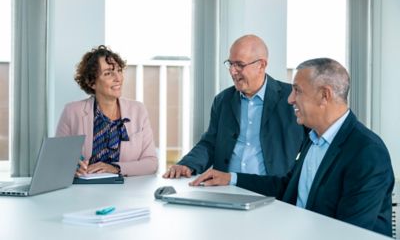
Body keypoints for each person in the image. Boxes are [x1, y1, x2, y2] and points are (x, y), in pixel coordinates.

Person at [190, 58, 394, 236]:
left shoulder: (367, 152)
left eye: (297, 91)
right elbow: (287, 187)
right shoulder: (314, 138)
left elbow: (349, 233)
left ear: (325, 95)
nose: (290, 99)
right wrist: (231, 178)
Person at [163, 35, 305, 179]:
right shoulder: (223, 100)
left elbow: (313, 143)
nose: (232, 71)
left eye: (239, 65)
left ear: (261, 65)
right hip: (227, 189)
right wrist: (187, 164)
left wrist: (296, 177)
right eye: (230, 64)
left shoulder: (292, 97)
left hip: (272, 193)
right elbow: (210, 143)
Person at [56, 45, 158, 176]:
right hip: (84, 193)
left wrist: (115, 168)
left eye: (119, 70)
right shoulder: (72, 111)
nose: (118, 78)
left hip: (127, 192)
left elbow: (151, 163)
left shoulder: (138, 110)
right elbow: (58, 161)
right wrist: (72, 168)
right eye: (108, 73)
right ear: (91, 82)